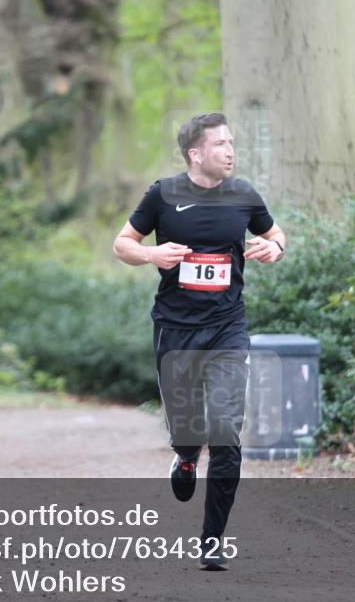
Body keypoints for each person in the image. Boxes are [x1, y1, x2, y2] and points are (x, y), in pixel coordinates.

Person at [112, 112, 286, 570]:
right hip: (176, 327)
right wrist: (151, 252)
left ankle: (212, 541)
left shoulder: (244, 195)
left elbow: (274, 233)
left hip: (228, 326)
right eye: (220, 144)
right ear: (195, 153)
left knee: (226, 428)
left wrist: (276, 247)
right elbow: (122, 244)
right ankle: (186, 457)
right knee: (187, 424)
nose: (230, 151)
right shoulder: (163, 195)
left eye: (232, 143)